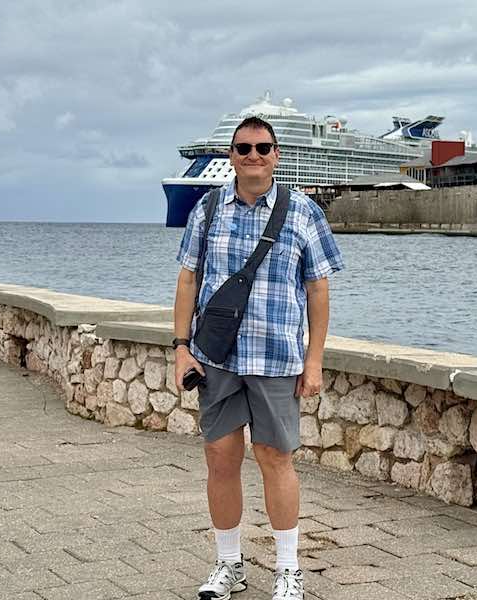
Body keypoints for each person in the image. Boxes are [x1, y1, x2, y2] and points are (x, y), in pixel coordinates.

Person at [173, 115, 343, 600]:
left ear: (277, 155)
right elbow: (188, 280)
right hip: (217, 357)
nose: (253, 156)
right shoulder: (207, 209)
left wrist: (315, 361)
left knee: (275, 458)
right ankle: (229, 565)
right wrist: (180, 348)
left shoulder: (304, 212)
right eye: (243, 148)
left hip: (276, 358)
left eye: (262, 148)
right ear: (231, 155)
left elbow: (318, 288)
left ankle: (289, 570)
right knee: (220, 459)